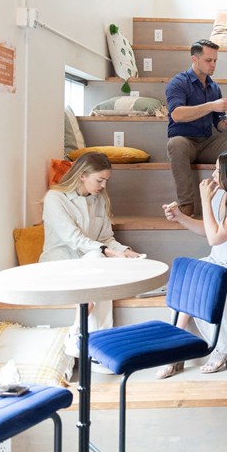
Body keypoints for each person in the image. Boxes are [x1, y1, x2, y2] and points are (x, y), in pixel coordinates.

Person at [158, 149, 227, 376]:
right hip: (221, 260)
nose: (213, 175)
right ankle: (177, 347)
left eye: (219, 170)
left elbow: (214, 237)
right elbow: (209, 230)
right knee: (189, 273)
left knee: (211, 277)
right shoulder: (221, 195)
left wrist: (204, 199)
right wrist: (180, 217)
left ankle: (223, 348)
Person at [40, 151, 142, 358]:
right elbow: (74, 238)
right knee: (99, 263)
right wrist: (106, 251)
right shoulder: (55, 198)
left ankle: (83, 338)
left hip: (91, 266)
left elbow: (106, 237)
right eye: (100, 180)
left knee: (101, 268)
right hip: (60, 264)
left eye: (106, 180)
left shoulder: (99, 200)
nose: (103, 186)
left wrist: (125, 251)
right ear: (81, 176)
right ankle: (96, 344)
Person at [166, 39, 227, 216]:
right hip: (185, 141)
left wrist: (226, 123)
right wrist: (212, 105)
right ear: (194, 59)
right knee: (176, 145)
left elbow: (217, 123)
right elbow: (177, 114)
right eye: (208, 60)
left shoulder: (213, 87)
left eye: (215, 61)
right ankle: (186, 204)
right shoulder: (179, 82)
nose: (213, 65)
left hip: (207, 142)